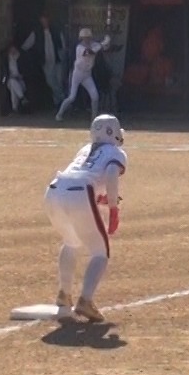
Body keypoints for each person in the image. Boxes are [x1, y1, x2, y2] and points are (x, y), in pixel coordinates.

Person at [43, 115, 127, 323]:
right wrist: (114, 208)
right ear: (113, 132)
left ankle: (64, 294)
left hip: (54, 190)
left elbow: (80, 176)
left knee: (71, 242)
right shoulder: (116, 152)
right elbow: (110, 175)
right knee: (100, 251)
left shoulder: (85, 149)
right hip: (80, 192)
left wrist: (100, 198)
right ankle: (86, 300)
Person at [56, 27, 109, 121]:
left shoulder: (94, 44)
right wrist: (102, 44)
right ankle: (59, 114)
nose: (87, 40)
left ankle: (94, 118)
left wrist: (106, 42)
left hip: (87, 74)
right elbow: (89, 52)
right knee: (72, 97)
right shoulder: (79, 47)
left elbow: (105, 48)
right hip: (77, 74)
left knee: (95, 96)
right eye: (84, 38)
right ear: (81, 38)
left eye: (88, 37)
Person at [21, 14, 67, 109]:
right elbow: (27, 45)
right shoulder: (36, 32)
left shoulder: (56, 31)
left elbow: (63, 45)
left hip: (57, 60)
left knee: (59, 81)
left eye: (45, 20)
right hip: (46, 62)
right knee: (50, 81)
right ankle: (61, 100)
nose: (44, 22)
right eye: (42, 21)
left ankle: (59, 102)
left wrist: (63, 57)